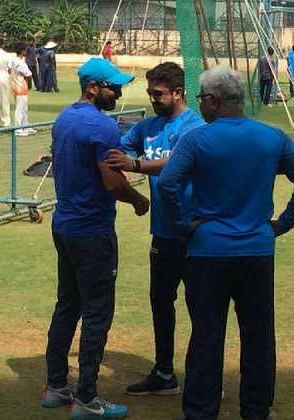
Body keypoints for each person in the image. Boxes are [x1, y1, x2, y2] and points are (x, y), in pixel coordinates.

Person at [157, 66, 294, 420]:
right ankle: (256, 410)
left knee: (206, 337)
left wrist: (183, 225)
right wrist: (284, 223)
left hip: (207, 251)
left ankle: (201, 412)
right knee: (259, 337)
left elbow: (169, 184)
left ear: (214, 102)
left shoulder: (198, 140)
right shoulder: (271, 137)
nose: (200, 105)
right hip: (257, 251)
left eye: (201, 99)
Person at [42, 57, 149, 420]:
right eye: (112, 86)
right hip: (92, 230)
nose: (117, 92)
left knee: (67, 305)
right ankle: (86, 397)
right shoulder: (102, 127)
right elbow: (112, 182)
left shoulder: (64, 119)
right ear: (92, 88)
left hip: (65, 226)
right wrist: (138, 199)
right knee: (97, 312)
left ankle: (56, 385)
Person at [103, 62, 205, 397]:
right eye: (150, 93)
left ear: (178, 92)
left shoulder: (195, 126)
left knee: (202, 307)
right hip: (163, 232)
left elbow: (177, 161)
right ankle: (164, 373)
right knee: (161, 302)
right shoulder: (148, 126)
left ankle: (205, 379)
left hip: (195, 233)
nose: (153, 99)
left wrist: (135, 165)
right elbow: (118, 149)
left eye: (158, 93)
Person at [9, 44, 34, 136]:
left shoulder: (12, 60)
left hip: (14, 85)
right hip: (21, 86)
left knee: (23, 107)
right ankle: (18, 129)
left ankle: (25, 126)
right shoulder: (21, 63)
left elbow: (9, 70)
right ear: (22, 51)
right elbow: (29, 75)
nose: (26, 52)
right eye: (25, 51)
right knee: (20, 108)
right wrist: (30, 86)